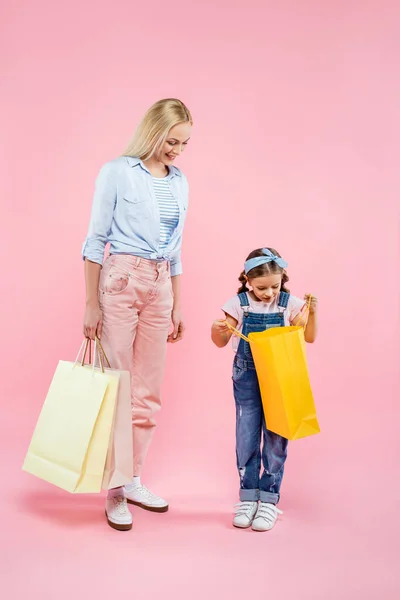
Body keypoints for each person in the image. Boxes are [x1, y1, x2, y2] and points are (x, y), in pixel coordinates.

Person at [82, 98, 192, 531]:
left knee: (148, 392)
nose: (177, 151)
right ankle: (115, 487)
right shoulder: (117, 172)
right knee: (118, 387)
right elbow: (94, 241)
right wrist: (91, 303)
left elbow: (178, 245)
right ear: (153, 130)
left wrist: (178, 302)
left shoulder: (181, 181)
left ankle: (133, 479)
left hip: (161, 284)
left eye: (184, 144)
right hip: (121, 282)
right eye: (172, 140)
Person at [211, 247, 318, 532]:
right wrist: (217, 328)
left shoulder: (289, 304)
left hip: (280, 375)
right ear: (247, 280)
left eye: (275, 285)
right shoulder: (237, 304)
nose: (269, 293)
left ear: (283, 278)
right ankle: (248, 497)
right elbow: (220, 341)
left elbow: (308, 337)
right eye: (261, 287)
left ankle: (268, 499)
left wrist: (313, 312)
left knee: (276, 434)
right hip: (246, 375)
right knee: (246, 434)